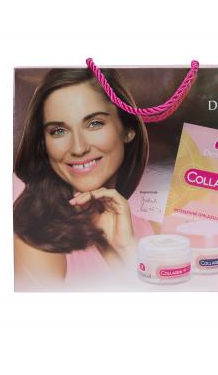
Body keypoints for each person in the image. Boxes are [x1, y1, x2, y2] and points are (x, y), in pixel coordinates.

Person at [13, 68, 156, 291]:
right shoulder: (34, 239)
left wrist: (127, 253)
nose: (78, 148)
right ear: (43, 144)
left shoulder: (152, 233)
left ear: (128, 128)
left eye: (94, 123)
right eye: (58, 131)